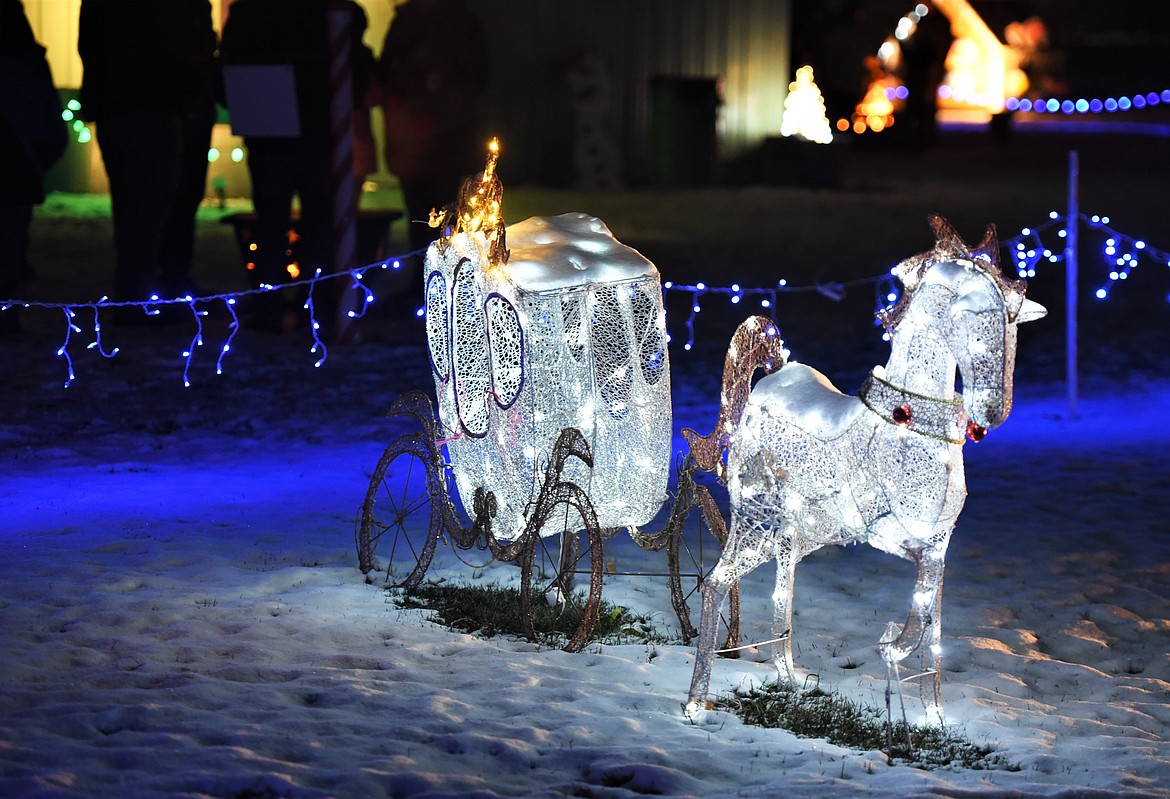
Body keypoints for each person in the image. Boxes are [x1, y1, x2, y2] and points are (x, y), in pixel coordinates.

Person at [220, 0, 377, 334]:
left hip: (294, 137)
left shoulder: (253, 13)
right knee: (310, 226)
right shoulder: (326, 12)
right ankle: (308, 303)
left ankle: (282, 305)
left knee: (282, 224)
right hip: (307, 135)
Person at [77, 0, 218, 308]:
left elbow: (87, 45)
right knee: (150, 205)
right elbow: (181, 46)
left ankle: (137, 290)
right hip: (154, 105)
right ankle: (140, 294)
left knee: (133, 205)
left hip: (117, 105)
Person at [381, 0, 490, 273]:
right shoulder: (409, 21)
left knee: (445, 211)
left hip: (446, 134)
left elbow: (478, 74)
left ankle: (442, 278)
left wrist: (445, 90)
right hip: (413, 134)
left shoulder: (459, 22)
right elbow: (386, 70)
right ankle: (423, 277)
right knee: (419, 213)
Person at [0, 0, 67, 335]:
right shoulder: (27, 65)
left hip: (17, 169)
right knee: (9, 242)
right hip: (15, 171)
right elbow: (53, 132)